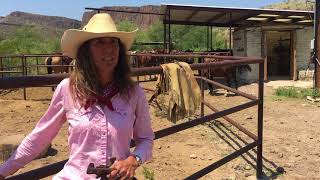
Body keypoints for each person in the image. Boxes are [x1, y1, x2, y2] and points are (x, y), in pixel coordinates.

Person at [0, 13, 154, 180]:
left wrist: (133, 160)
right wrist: (3, 171)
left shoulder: (133, 93)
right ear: (86, 51)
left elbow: (146, 139)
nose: (109, 48)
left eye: (113, 42)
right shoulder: (67, 89)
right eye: (100, 42)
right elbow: (40, 136)